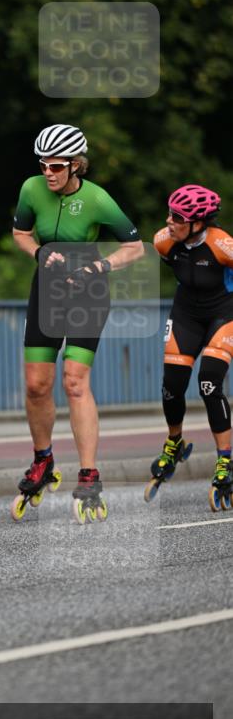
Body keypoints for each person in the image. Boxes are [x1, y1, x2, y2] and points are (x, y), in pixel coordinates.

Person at [11, 123, 145, 522]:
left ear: (75, 165)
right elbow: (20, 233)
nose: (47, 172)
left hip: (88, 291)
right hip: (47, 291)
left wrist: (100, 266)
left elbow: (135, 248)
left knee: (73, 381)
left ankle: (89, 474)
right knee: (36, 385)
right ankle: (43, 460)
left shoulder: (98, 199)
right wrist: (37, 254)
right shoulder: (31, 189)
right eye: (43, 165)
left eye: (55, 166)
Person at [148, 184, 233, 510]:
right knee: (172, 386)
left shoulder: (222, 245)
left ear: (199, 222)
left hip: (223, 314)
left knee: (209, 383)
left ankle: (224, 461)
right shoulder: (164, 242)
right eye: (169, 212)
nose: (169, 221)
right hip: (186, 314)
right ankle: (174, 443)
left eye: (178, 217)